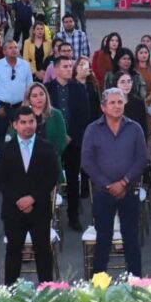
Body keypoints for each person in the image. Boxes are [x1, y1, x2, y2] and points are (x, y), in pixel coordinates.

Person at [82, 88, 148, 276]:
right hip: (103, 193)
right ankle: (98, 286)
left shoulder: (134, 128)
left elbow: (141, 159)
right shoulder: (93, 129)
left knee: (131, 238)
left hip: (129, 190)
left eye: (120, 102)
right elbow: (87, 161)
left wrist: (124, 182)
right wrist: (108, 184)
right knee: (103, 239)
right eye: (112, 102)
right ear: (103, 107)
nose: (117, 106)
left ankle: (136, 282)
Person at [0, 106, 59, 286]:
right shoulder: (5, 149)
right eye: (23, 122)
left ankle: (46, 293)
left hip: (39, 209)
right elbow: (1, 180)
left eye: (31, 121)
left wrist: (32, 198)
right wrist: (19, 200)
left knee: (43, 252)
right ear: (15, 125)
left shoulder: (46, 148)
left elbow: (51, 177)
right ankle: (11, 295)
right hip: (13, 210)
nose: (27, 126)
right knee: (13, 252)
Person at [46, 57, 91, 230]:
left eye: (70, 66)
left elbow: (84, 115)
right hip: (53, 143)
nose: (68, 69)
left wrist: (71, 135)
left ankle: (73, 216)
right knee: (49, 179)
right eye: (65, 66)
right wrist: (58, 136)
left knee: (73, 180)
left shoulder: (79, 89)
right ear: (56, 69)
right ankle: (48, 215)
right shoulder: (48, 89)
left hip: (73, 142)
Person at [0, 40, 34, 151]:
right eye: (10, 48)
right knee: (0, 136)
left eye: (16, 47)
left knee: (22, 134)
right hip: (2, 106)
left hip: (19, 106)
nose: (14, 50)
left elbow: (30, 87)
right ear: (4, 51)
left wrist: (26, 104)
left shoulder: (25, 65)